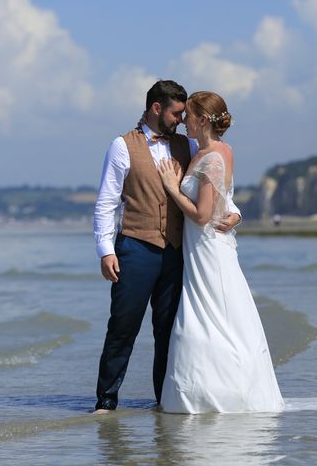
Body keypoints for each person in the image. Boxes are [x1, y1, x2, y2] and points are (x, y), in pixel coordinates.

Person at [92, 80, 241, 413]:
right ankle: (106, 401)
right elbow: (106, 202)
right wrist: (106, 250)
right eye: (176, 113)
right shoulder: (121, 146)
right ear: (156, 108)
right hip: (135, 247)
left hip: (176, 253)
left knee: (169, 332)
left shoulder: (188, 146)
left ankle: (165, 402)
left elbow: (216, 190)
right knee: (122, 326)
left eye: (184, 113)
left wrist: (236, 214)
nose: (181, 119)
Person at [157, 91, 284, 413]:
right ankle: (229, 387)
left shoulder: (212, 156)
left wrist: (172, 187)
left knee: (211, 317)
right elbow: (224, 198)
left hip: (207, 247)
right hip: (206, 245)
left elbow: (201, 214)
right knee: (223, 315)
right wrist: (236, 212)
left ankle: (218, 393)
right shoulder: (219, 151)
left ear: (202, 120)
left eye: (188, 116)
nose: (183, 121)